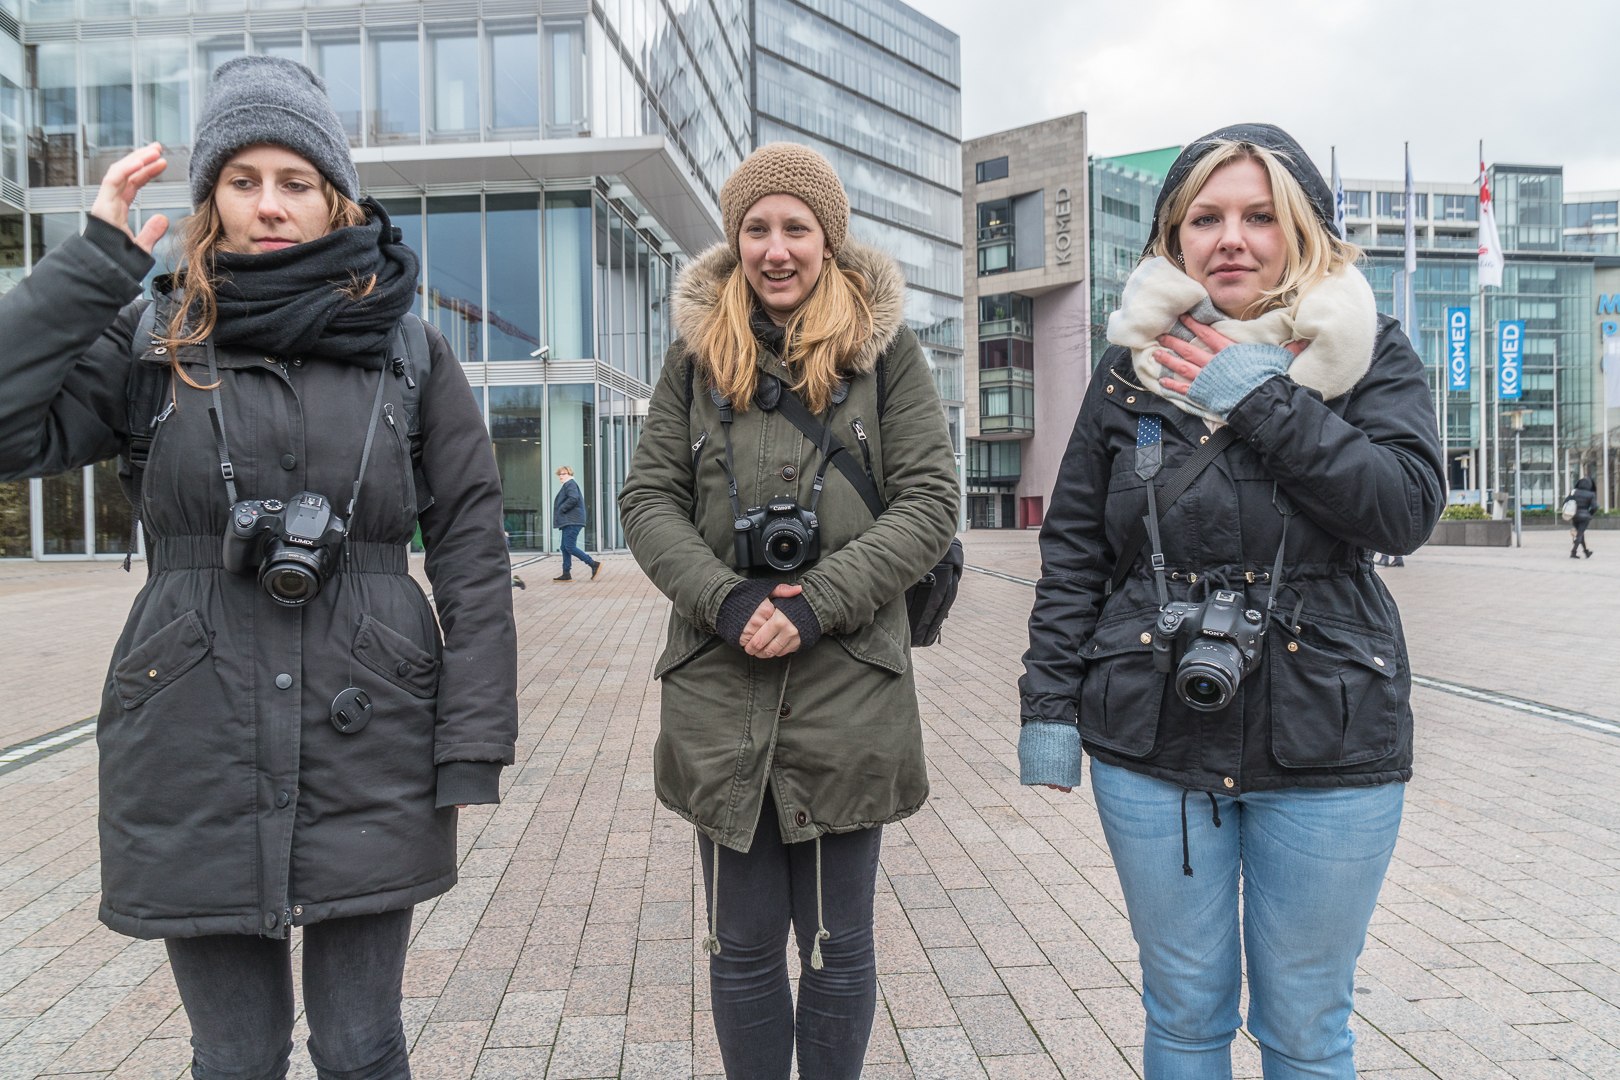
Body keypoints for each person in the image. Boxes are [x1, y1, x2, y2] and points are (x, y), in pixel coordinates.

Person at [0, 56, 517, 1079]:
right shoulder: (155, 336)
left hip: (374, 734)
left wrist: (472, 740)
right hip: (192, 731)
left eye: (295, 181)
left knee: (362, 1047)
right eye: (243, 181)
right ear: (212, 198)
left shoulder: (409, 350)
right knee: (234, 1056)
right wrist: (96, 262)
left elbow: (471, 545)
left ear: (335, 199)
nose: (270, 205)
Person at [1018, 124, 1445, 1079]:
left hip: (1329, 735)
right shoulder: (1130, 364)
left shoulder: (1365, 348)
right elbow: (1077, 550)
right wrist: (1047, 706)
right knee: (1182, 1014)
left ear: (1302, 229)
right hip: (1151, 734)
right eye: (1206, 218)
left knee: (1306, 1026)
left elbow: (1404, 508)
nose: (1233, 240)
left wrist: (1262, 398)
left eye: (1260, 216)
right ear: (1174, 237)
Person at [618, 142, 957, 1079]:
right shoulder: (693, 362)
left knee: (837, 950)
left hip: (849, 687)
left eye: (796, 229)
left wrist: (818, 603)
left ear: (828, 239)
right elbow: (647, 500)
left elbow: (931, 501)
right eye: (757, 228)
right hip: (719, 684)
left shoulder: (888, 356)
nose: (776, 249)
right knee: (740, 947)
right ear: (735, 240)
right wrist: (724, 599)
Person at [551, 464, 600, 581]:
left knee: (569, 546)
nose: (561, 476)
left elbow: (573, 498)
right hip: (570, 521)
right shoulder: (567, 485)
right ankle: (566, 573)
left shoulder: (570, 484)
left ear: (569, 474)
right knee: (564, 547)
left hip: (573, 521)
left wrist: (562, 508)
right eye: (559, 474)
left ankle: (593, 564)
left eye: (563, 474)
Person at [1566, 475, 1597, 558]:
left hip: (1574, 515)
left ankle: (1586, 552)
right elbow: (1595, 507)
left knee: (1580, 533)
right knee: (1580, 534)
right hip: (1585, 516)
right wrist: (1590, 513)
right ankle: (1573, 552)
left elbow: (1566, 502)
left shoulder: (1574, 492)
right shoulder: (1591, 494)